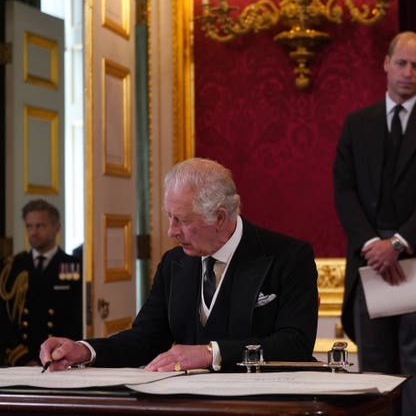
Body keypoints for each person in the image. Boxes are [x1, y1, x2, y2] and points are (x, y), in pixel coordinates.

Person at [39, 157, 319, 372]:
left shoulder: (289, 257)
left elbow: (294, 344)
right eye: (169, 217)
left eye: (182, 220)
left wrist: (210, 353)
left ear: (220, 218)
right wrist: (85, 350)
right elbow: (145, 339)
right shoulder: (174, 263)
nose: (171, 232)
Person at [333, 31, 416, 416]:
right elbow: (344, 190)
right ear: (386, 64)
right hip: (369, 261)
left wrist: (398, 243)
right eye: (402, 63)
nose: (408, 72)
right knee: (373, 371)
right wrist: (373, 244)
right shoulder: (357, 123)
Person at [0, 199, 82, 366]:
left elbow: (78, 318)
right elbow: (0, 319)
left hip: (60, 359)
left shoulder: (72, 266)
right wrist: (22, 358)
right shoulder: (14, 267)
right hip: (22, 360)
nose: (33, 232)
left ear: (57, 228)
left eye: (40, 226)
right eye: (29, 226)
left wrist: (62, 354)